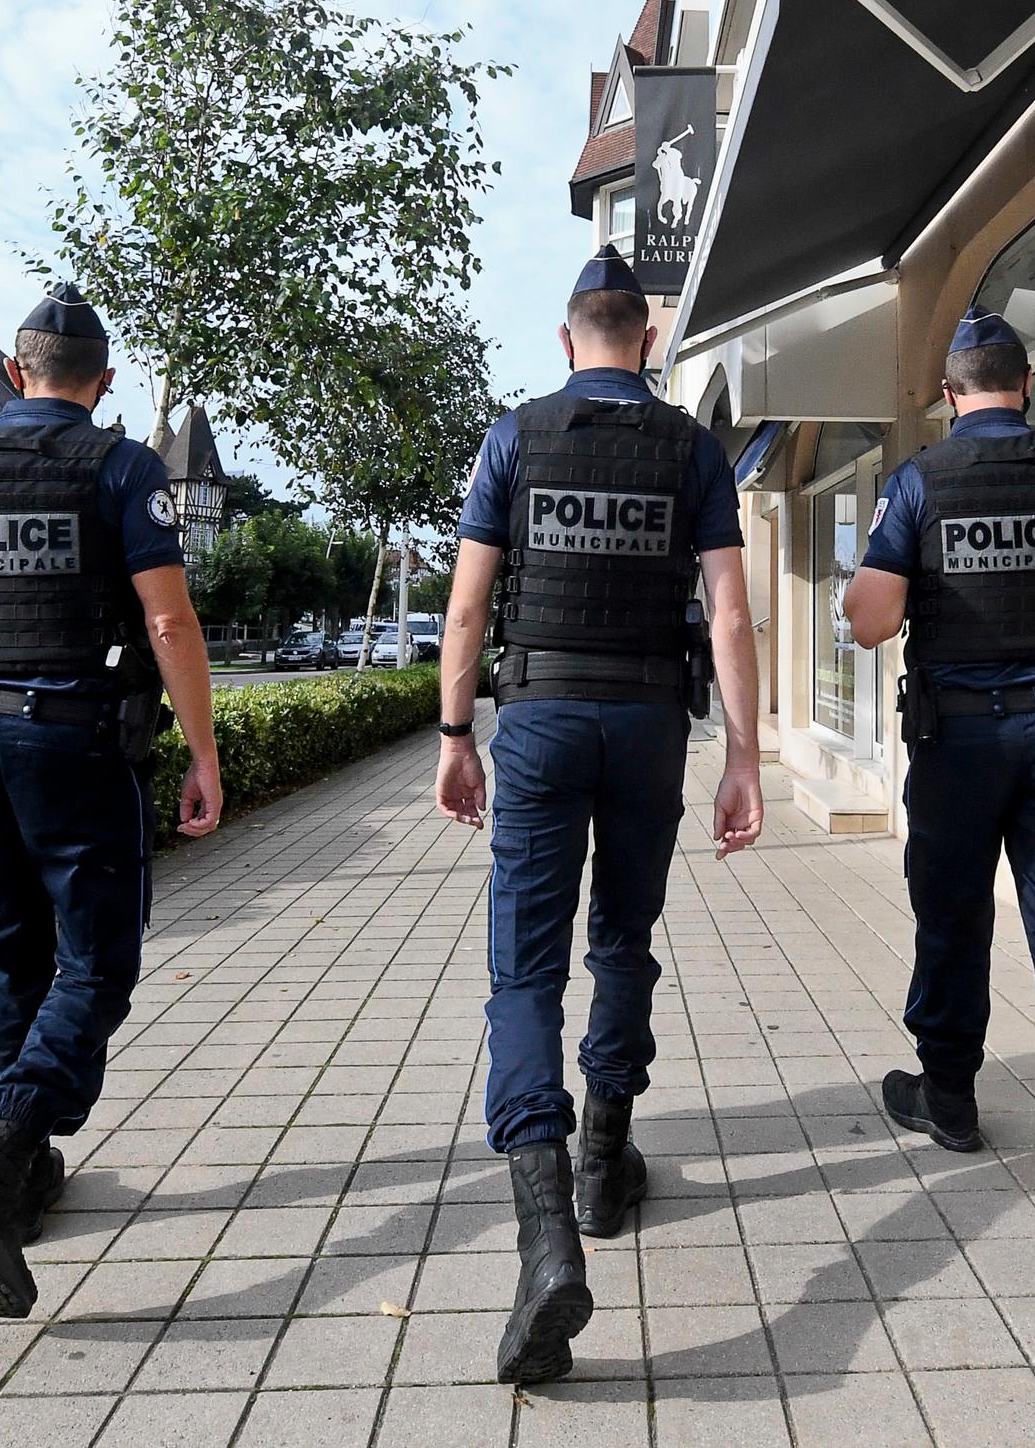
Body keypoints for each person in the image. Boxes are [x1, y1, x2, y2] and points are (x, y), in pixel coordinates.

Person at [434, 245, 764, 1385]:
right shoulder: (692, 446)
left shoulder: (514, 437)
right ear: (650, 344)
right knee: (621, 940)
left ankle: (543, 1236)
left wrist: (452, 735)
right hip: (645, 724)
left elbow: (468, 602)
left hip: (536, 717)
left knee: (522, 973)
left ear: (568, 340)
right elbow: (728, 614)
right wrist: (746, 759)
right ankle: (603, 1161)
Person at [0, 281, 225, 1319]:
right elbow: (168, 627)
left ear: (15, 375)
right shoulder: (123, 467)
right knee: (97, 960)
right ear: (101, 383)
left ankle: (17, 1182)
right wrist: (202, 749)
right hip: (70, 738)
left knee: (8, 947)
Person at [840, 301, 1035, 1276]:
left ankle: (949, 1098)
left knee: (952, 920)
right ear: (1026, 387)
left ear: (948, 395)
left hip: (960, 741)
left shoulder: (921, 480)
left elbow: (869, 622)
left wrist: (871, 583)